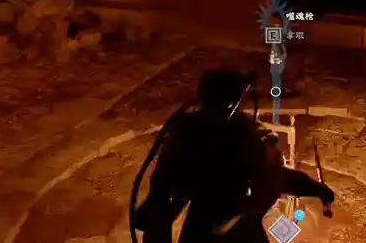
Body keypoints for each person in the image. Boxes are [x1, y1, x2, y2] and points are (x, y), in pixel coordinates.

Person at [133, 69, 334, 243]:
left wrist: (315, 189)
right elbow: (163, 190)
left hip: (219, 221)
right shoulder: (223, 132)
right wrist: (316, 189)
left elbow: (163, 188)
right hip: (226, 222)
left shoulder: (193, 130)